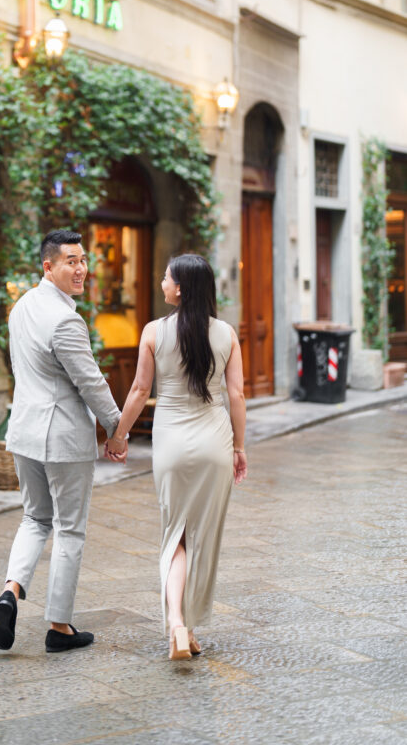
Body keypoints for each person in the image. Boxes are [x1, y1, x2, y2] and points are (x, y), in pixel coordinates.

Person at [0, 229, 126, 654]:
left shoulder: (21, 307)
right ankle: (59, 627)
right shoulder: (65, 319)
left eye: (83, 260)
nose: (81, 268)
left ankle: (10, 591)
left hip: (25, 432)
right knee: (69, 530)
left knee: (34, 518)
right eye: (71, 261)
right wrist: (118, 429)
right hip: (62, 437)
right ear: (48, 266)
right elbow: (91, 382)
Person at [107, 254, 247, 660]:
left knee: (175, 535)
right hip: (215, 441)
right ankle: (184, 626)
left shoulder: (153, 331)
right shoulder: (226, 334)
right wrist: (239, 448)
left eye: (166, 278)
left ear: (181, 288)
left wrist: (118, 436)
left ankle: (176, 625)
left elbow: (137, 391)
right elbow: (235, 396)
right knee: (202, 537)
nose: (162, 283)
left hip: (170, 442)